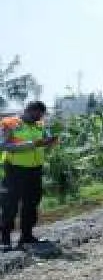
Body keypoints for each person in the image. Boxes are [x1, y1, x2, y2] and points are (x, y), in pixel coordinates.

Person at [1, 101, 58, 250]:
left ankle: (26, 237)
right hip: (15, 170)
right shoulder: (10, 123)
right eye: (36, 115)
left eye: (41, 116)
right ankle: (5, 240)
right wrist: (33, 144)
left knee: (31, 204)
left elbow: (42, 144)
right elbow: (4, 145)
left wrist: (49, 142)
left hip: (35, 171)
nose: (39, 118)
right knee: (10, 205)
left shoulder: (40, 125)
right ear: (28, 110)